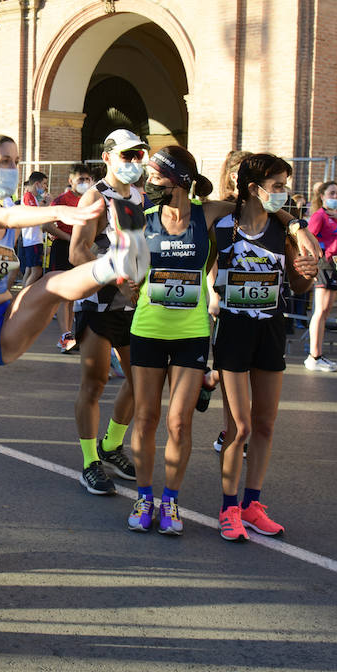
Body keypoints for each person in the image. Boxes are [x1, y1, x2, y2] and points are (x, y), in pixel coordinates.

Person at [0, 133, 148, 570]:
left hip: (5, 320)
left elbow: (13, 226)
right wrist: (62, 210)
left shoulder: (8, 214)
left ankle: (114, 264)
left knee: (49, 284)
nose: (13, 167)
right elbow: (5, 215)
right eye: (6, 161)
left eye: (16, 160)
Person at [211, 153, 318, 541]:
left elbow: (299, 284)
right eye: (277, 186)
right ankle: (228, 508)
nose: (284, 194)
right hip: (234, 330)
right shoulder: (221, 226)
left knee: (265, 425)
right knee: (237, 428)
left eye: (285, 185)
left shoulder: (283, 230)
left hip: (271, 328)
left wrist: (308, 273)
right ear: (254, 189)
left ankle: (252, 504)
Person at [125, 147, 218, 533]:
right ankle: (144, 496)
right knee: (146, 419)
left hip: (191, 334)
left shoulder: (207, 213)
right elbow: (128, 269)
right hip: (147, 330)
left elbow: (250, 207)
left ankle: (172, 502)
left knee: (179, 423)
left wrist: (294, 225)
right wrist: (131, 281)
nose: (149, 182)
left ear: (179, 178)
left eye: (156, 176)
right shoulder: (141, 219)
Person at [69, 130, 148, 496]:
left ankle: (112, 446)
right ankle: (89, 462)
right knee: (95, 383)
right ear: (108, 156)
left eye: (138, 156)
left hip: (134, 305)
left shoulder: (141, 195)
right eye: (126, 156)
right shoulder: (94, 196)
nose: (133, 163)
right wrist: (116, 279)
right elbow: (77, 252)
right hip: (99, 302)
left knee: (140, 383)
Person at [305, 181, 337, 371]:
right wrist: (313, 262)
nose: (336, 197)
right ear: (322, 196)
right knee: (321, 310)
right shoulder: (319, 216)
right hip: (324, 264)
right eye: (332, 193)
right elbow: (308, 238)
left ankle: (318, 354)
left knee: (326, 311)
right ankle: (314, 355)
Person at [45, 163, 94, 352]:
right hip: (63, 247)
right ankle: (65, 334)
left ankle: (70, 334)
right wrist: (70, 237)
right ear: (70, 180)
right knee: (63, 295)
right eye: (80, 179)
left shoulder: (91, 200)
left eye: (87, 179)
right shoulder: (60, 200)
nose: (84, 183)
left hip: (81, 249)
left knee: (74, 294)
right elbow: (47, 226)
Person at [19, 172, 49, 288]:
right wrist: (48, 205)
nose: (45, 187)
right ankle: (25, 298)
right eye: (44, 184)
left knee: (29, 270)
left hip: (33, 239)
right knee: (36, 271)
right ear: (37, 184)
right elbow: (34, 215)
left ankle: (22, 296)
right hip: (32, 240)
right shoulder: (28, 196)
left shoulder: (32, 197)